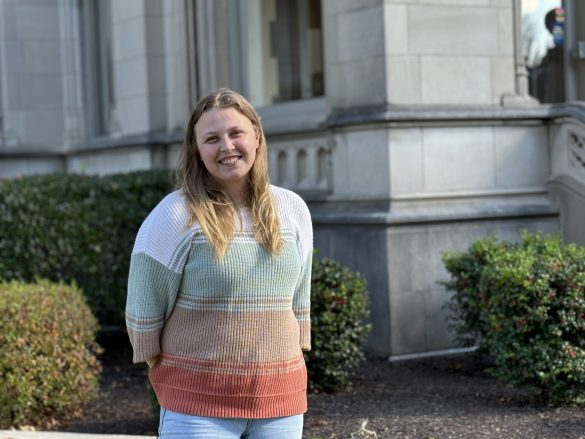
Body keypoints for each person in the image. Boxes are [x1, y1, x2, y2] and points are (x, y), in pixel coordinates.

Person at [125, 88, 313, 438]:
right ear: (197, 150)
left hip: (281, 403)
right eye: (211, 139)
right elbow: (144, 310)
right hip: (197, 408)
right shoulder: (175, 214)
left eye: (235, 133)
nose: (226, 146)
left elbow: (299, 301)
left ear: (256, 135)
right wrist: (175, 374)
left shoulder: (293, 209)